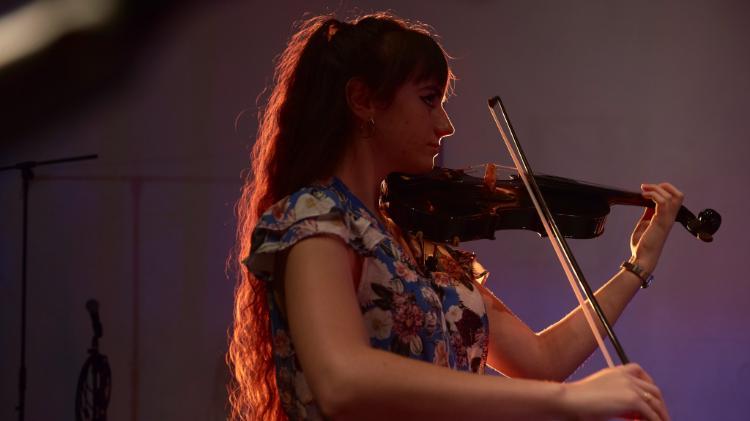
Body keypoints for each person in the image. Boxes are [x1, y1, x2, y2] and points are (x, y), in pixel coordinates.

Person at [228, 12, 681, 421]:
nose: (446, 125)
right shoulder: (315, 221)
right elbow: (342, 381)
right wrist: (567, 402)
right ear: (362, 100)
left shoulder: (417, 241)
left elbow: (540, 361)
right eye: (429, 100)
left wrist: (638, 264)